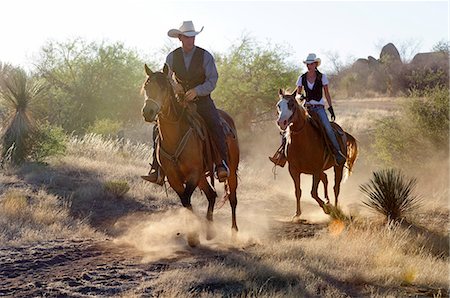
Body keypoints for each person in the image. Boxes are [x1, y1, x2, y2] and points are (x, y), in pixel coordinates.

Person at [142, 21, 229, 184]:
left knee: (215, 124)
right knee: (158, 127)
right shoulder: (172, 57)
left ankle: (221, 164)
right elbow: (166, 80)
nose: (191, 40)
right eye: (187, 37)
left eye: (193, 37)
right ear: (180, 38)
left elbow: (213, 80)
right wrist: (176, 87)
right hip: (179, 101)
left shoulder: (205, 56)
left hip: (202, 101)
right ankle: (157, 168)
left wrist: (197, 91)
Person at [269, 53, 346, 166]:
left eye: (311, 64)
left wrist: (330, 108)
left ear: (315, 64)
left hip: (319, 109)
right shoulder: (302, 78)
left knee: (328, 129)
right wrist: (301, 97)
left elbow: (327, 94)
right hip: (306, 108)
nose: (309, 66)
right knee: (288, 128)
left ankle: (337, 153)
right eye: (307, 64)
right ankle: (282, 155)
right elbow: (298, 93)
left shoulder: (322, 77)